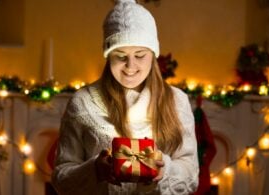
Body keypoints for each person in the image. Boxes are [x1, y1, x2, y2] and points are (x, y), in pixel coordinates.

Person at [51, 0, 199, 194]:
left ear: (153, 54)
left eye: (139, 55)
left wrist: (165, 171)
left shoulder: (176, 101)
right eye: (120, 56)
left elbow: (191, 176)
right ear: (108, 56)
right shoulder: (83, 102)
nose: (130, 66)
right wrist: (95, 170)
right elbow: (61, 179)